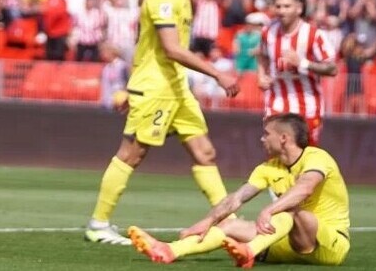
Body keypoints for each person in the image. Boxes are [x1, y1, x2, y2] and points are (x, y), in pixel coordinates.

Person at [85, 0, 240, 245]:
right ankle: (98, 224)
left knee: (204, 152)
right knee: (131, 154)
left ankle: (230, 223)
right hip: (156, 88)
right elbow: (171, 48)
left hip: (176, 88)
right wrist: (217, 74)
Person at [128, 113, 350, 267]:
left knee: (292, 211)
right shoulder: (268, 168)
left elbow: (305, 189)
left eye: (267, 134)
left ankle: (250, 251)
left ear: (284, 138)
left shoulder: (317, 157)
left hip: (328, 246)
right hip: (289, 244)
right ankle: (169, 250)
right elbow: (236, 198)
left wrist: (269, 211)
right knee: (230, 224)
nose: (262, 138)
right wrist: (209, 220)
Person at [257, 0, 337, 146]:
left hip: (306, 102)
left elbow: (332, 68)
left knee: (305, 153)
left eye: (287, 6)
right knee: (275, 149)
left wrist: (302, 63)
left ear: (299, 8)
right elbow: (262, 55)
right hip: (277, 100)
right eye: (278, 6)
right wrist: (260, 75)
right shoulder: (268, 32)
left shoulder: (314, 34)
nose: (281, 11)